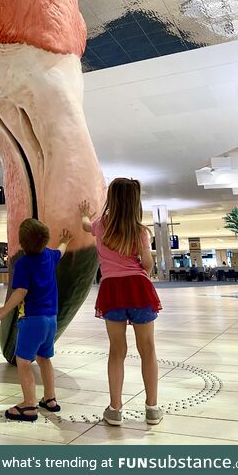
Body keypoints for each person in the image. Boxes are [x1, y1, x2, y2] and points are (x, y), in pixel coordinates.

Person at [79, 177, 163, 427]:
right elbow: (147, 264)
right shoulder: (140, 230)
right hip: (139, 289)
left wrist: (84, 213)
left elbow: (85, 226)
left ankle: (115, 410)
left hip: (112, 290)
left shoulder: (101, 224)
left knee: (117, 351)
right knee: (147, 349)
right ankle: (152, 408)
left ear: (112, 199)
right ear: (135, 200)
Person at [0, 219, 72, 422]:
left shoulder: (23, 264)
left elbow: (20, 292)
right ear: (45, 239)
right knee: (44, 358)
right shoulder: (49, 256)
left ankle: (29, 405)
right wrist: (65, 240)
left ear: (21, 242)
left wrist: (4, 310)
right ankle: (50, 398)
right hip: (51, 319)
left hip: (32, 321)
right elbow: (61, 250)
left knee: (23, 362)